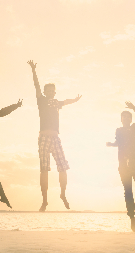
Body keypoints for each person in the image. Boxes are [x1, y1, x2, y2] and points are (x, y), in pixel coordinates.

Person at [27, 60, 81, 211]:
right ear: (45, 92)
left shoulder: (57, 102)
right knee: (44, 169)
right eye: (48, 91)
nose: (50, 93)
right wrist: (33, 70)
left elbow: (66, 101)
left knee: (62, 167)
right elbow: (36, 86)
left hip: (55, 138)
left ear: (55, 92)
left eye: (52, 91)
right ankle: (44, 201)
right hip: (44, 138)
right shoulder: (41, 101)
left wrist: (75, 100)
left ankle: (63, 194)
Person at [107, 101, 135, 232]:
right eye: (124, 117)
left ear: (131, 119)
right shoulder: (119, 130)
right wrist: (111, 144)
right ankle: (132, 220)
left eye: (128, 117)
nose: (126, 118)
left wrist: (134, 108)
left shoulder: (134, 128)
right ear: (121, 120)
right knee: (128, 192)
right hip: (123, 165)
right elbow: (118, 143)